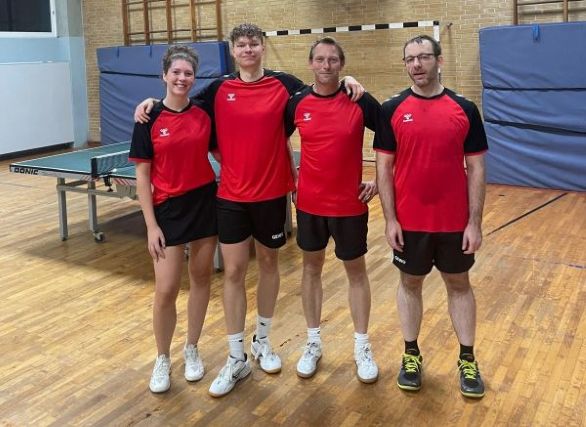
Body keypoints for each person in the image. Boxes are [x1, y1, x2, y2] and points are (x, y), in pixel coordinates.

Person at [134, 23, 365, 398]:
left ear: (262, 48)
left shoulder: (284, 85)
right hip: (230, 198)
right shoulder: (218, 90)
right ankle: (235, 355)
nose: (248, 49)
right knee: (234, 272)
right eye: (241, 44)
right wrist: (149, 103)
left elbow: (322, 86)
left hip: (272, 194)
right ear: (233, 50)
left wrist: (349, 79)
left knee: (270, 264)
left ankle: (262, 341)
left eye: (254, 44)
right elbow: (178, 98)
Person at [375, 35, 488, 398]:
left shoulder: (464, 108)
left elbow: (477, 168)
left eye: (424, 57)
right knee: (410, 284)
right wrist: (390, 220)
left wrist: (474, 222)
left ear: (439, 60)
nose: (417, 64)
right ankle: (411, 355)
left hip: (454, 222)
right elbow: (383, 167)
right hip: (410, 223)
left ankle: (467, 359)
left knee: (459, 285)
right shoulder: (392, 108)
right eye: (410, 59)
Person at [284, 37, 380, 383]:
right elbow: (278, 139)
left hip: (349, 204)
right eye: (320, 59)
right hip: (310, 204)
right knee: (311, 269)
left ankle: (362, 346)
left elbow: (393, 136)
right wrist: (292, 178)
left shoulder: (359, 99)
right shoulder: (297, 103)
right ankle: (313, 343)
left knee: (356, 272)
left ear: (341, 64)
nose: (326, 65)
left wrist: (380, 181)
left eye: (333, 60)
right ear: (311, 63)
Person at [129, 45, 218, 393]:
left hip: (203, 203)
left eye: (188, 73)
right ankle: (162, 357)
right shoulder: (148, 118)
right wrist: (151, 226)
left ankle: (192, 347)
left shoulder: (204, 112)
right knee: (166, 289)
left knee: (201, 278)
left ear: (194, 78)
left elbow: (221, 151)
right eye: (176, 72)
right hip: (167, 209)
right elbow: (142, 177)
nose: (182, 78)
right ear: (164, 75)